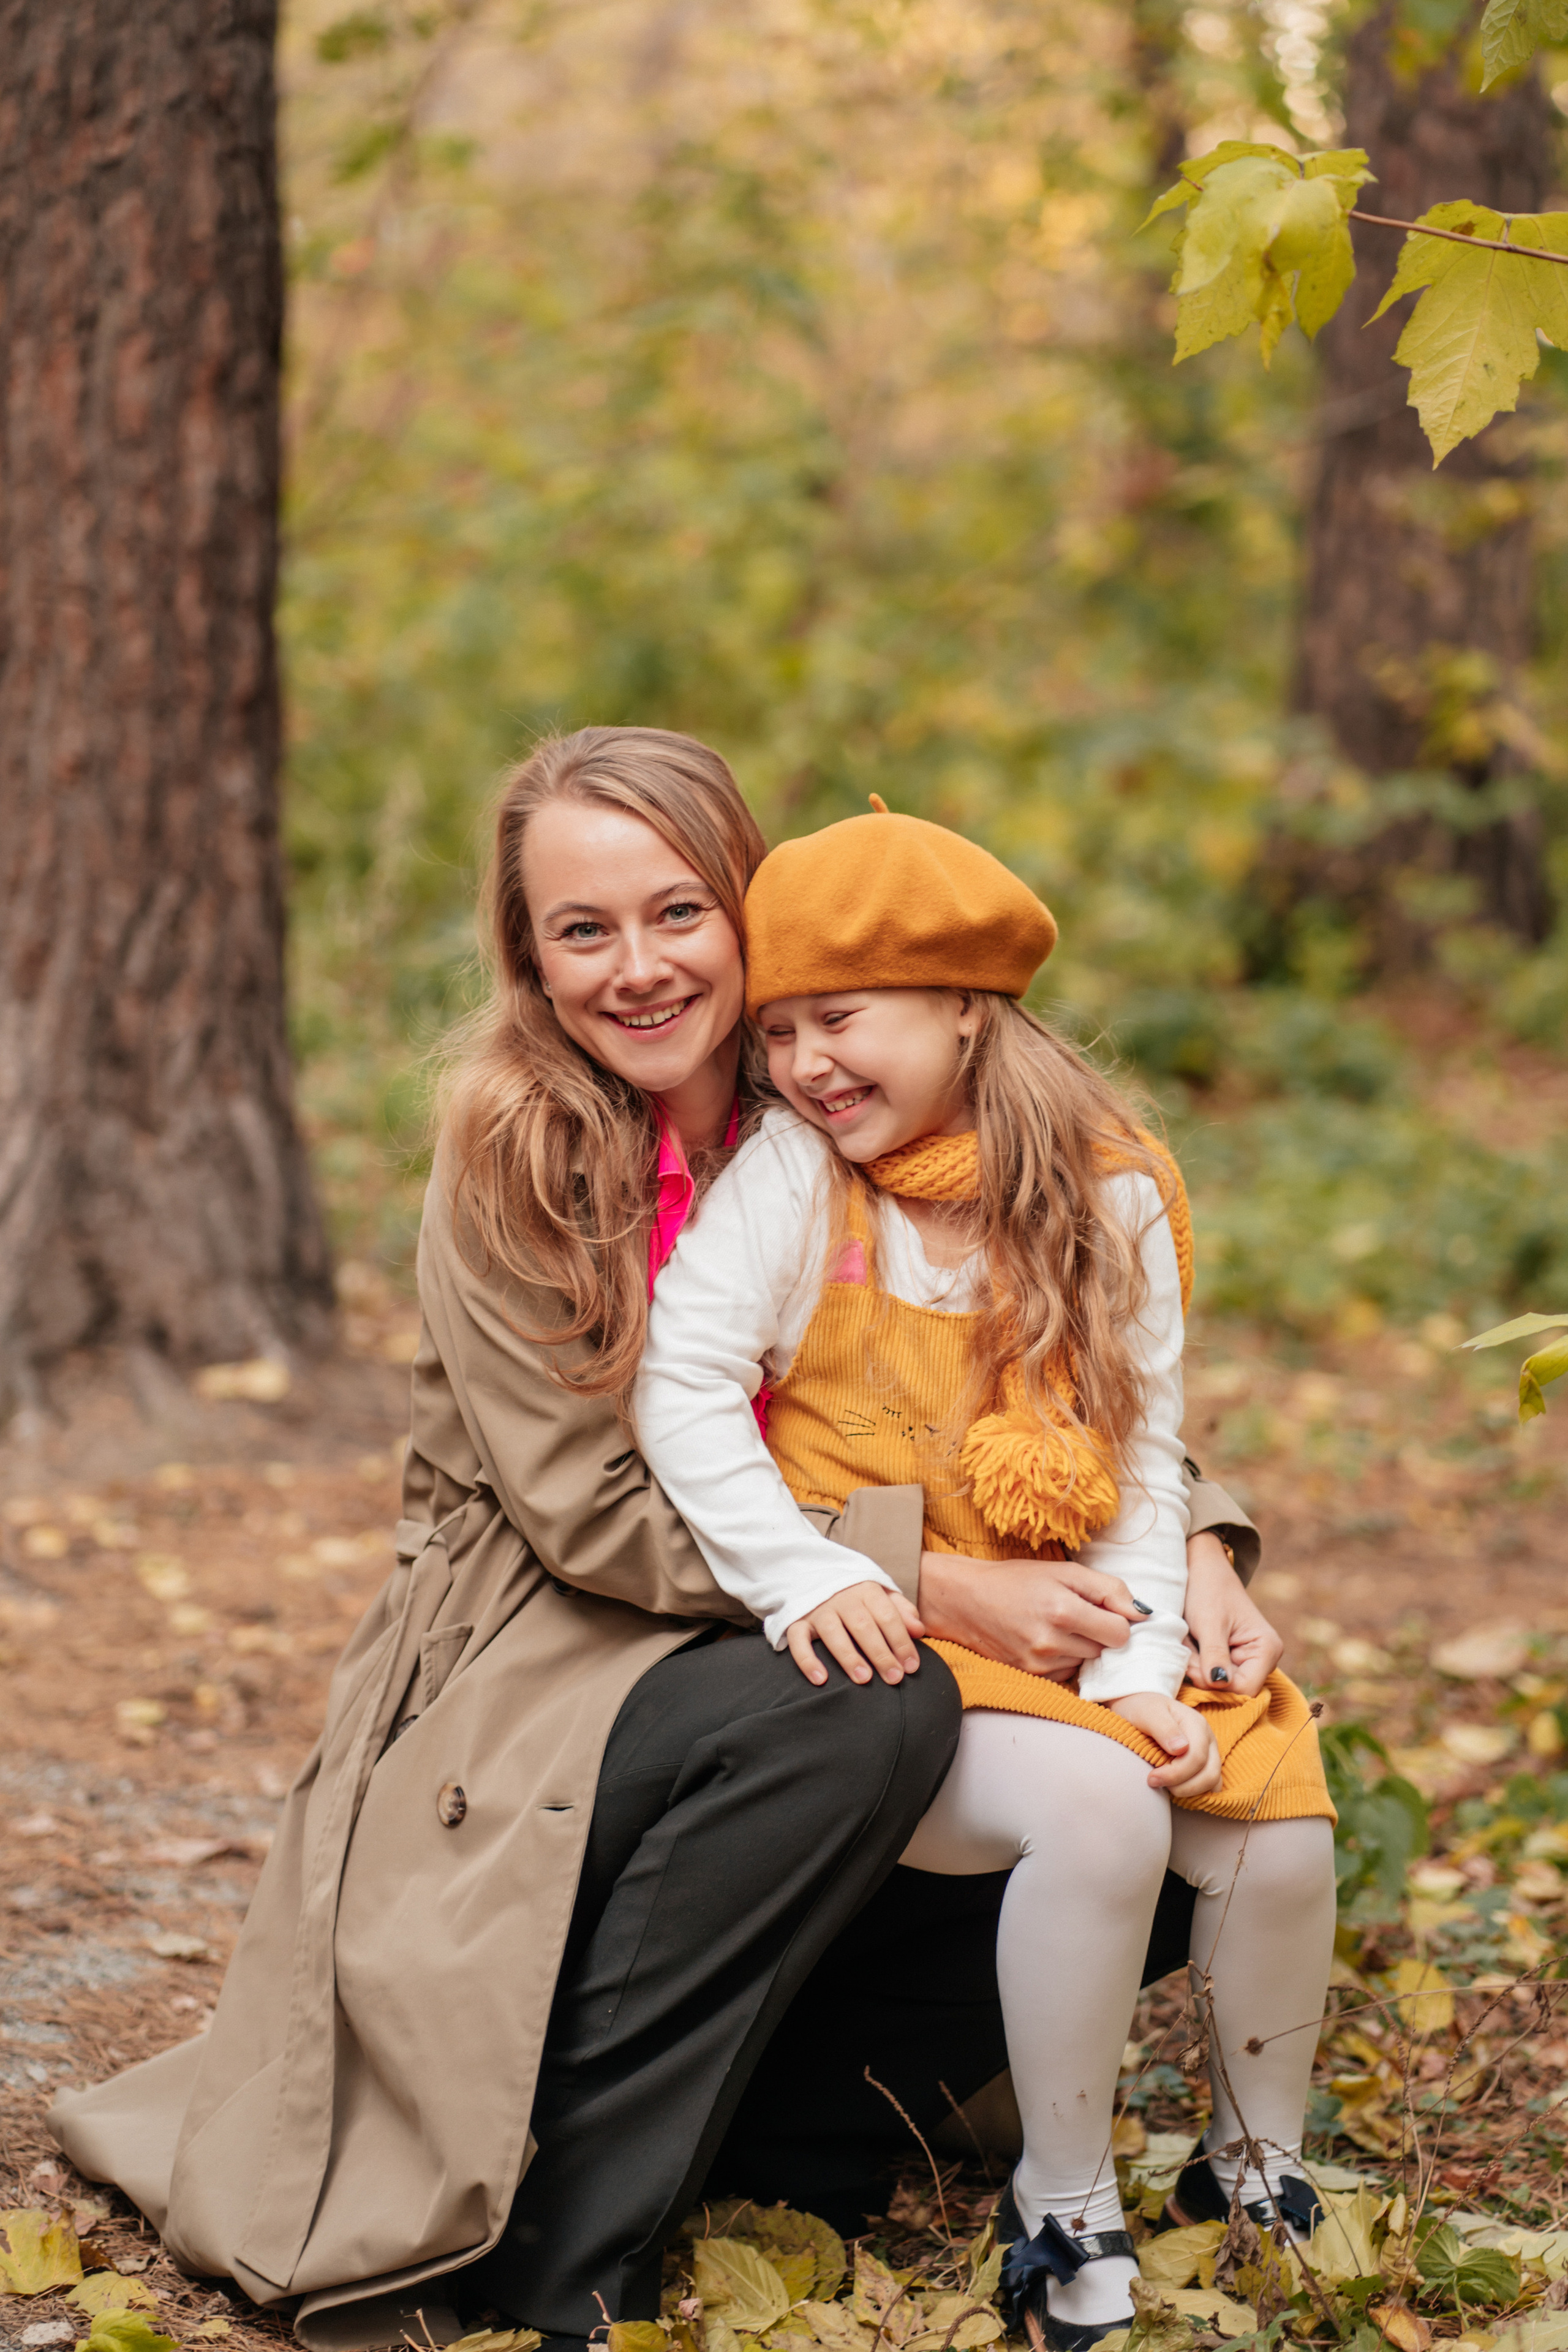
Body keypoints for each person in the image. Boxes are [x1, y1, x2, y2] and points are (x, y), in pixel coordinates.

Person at [51, 731, 1276, 2352]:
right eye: (583, 929)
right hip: (557, 1644)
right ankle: (570, 2242)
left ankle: (782, 2137)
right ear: (532, 959)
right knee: (865, 1703)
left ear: (755, 915)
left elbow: (1062, 1346)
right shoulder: (518, 1144)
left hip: (808, 1609)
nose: (637, 967)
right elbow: (585, 1512)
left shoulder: (840, 1081)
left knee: (1188, 1779)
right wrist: (928, 1580)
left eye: (678, 912)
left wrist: (1203, 1547)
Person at [634, 802, 1338, 2351]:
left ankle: (1258, 2167)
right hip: (885, 1632)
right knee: (1101, 1815)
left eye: (841, 1019)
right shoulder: (795, 1180)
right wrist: (804, 1576)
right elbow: (681, 1385)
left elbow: (1135, 1460)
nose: (805, 1063)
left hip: (1071, 1610)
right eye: (779, 1033)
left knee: (1272, 1817)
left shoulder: (1110, 1190)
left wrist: (1137, 1671)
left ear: (964, 1003)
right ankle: (1062, 2195)